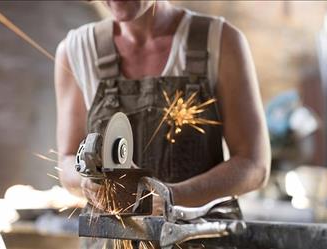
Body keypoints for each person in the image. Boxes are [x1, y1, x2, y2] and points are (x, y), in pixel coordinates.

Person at [55, 0, 270, 219]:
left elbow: (254, 166)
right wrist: (86, 182)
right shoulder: (76, 51)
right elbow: (67, 160)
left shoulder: (220, 41)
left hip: (198, 238)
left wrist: (170, 197)